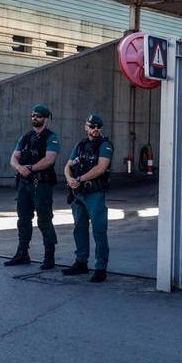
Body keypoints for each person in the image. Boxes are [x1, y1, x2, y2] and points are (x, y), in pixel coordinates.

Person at [4, 104, 61, 268]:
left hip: (41, 184)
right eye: (33, 115)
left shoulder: (51, 137)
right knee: (23, 220)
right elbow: (14, 158)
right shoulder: (25, 137)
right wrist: (20, 168)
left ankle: (49, 257)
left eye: (38, 116)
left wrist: (30, 168)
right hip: (24, 184)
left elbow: (50, 159)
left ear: (46, 119)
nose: (34, 118)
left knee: (44, 220)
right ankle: (22, 253)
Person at [62, 113, 113, 282]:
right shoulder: (80, 145)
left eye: (98, 127)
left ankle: (100, 268)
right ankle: (81, 262)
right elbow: (67, 166)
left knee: (99, 230)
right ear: (86, 127)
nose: (95, 130)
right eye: (92, 126)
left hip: (94, 194)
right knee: (79, 229)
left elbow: (101, 168)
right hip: (78, 194)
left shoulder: (105, 145)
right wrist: (70, 180)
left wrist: (79, 179)